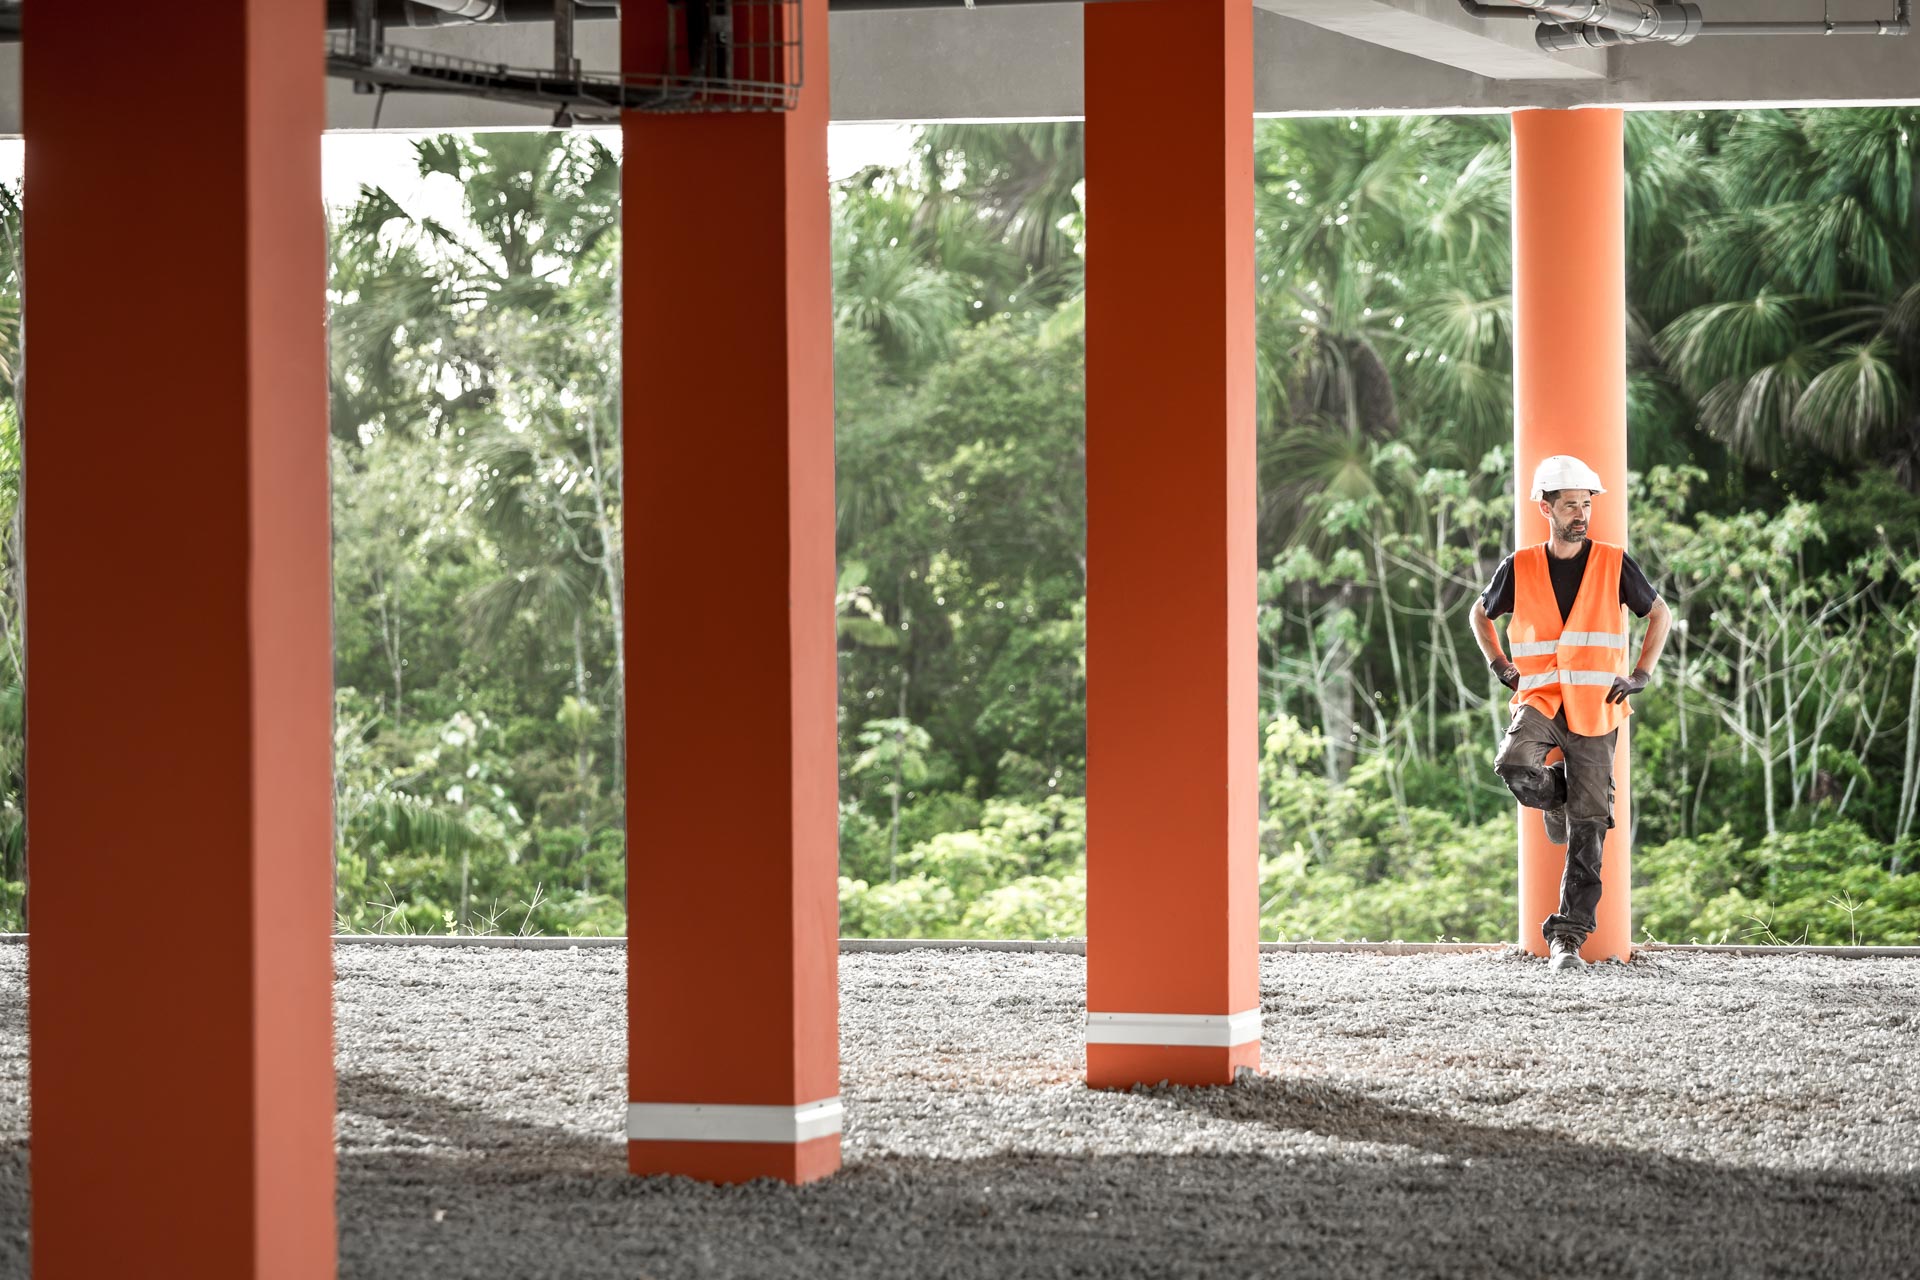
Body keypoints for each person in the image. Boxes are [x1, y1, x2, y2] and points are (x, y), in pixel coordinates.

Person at [1467, 455, 1673, 971]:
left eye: (1586, 505)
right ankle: (1559, 794)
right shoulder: (1520, 566)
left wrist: (1641, 673)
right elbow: (1479, 612)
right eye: (1570, 506)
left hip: (1599, 705)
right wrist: (1499, 664)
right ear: (1546, 507)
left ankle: (1568, 938)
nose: (1581, 514)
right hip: (1541, 698)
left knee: (1589, 826)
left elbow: (1660, 613)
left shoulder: (1612, 561)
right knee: (1513, 763)